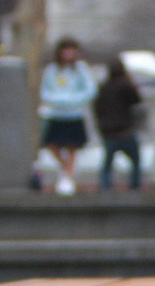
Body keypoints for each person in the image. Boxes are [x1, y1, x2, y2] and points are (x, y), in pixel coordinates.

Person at [40, 38, 97, 196]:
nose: (68, 53)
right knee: (51, 144)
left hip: (74, 114)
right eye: (66, 50)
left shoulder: (81, 69)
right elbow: (45, 90)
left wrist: (75, 100)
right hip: (56, 113)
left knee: (72, 147)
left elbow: (90, 89)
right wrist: (56, 100)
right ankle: (66, 169)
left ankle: (68, 178)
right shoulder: (52, 69)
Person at [94, 56, 143, 191]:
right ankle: (134, 186)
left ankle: (105, 187)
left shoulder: (103, 88)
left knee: (107, 164)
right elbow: (137, 99)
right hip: (125, 130)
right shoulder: (125, 85)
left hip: (108, 132)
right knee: (135, 161)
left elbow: (97, 108)